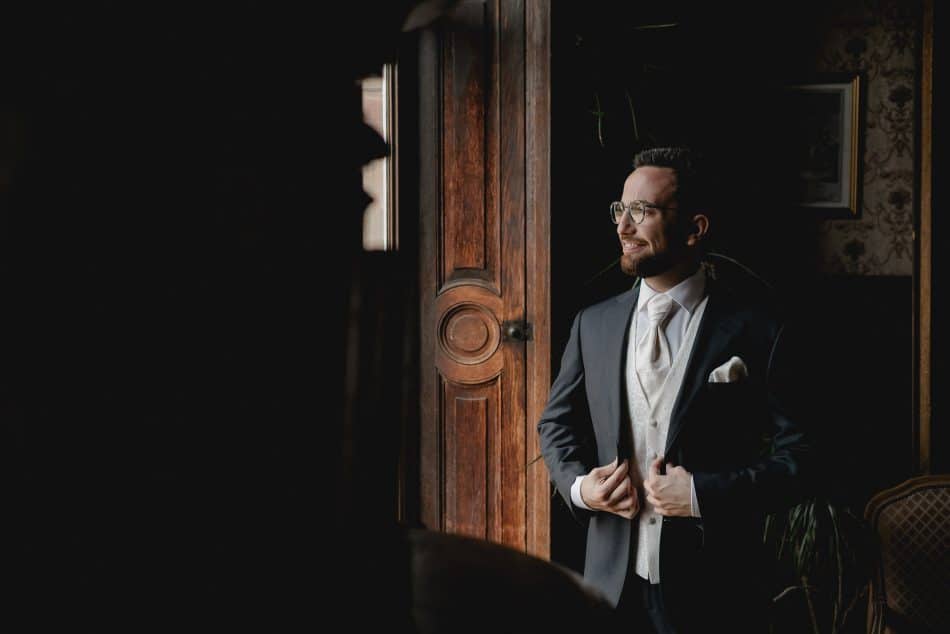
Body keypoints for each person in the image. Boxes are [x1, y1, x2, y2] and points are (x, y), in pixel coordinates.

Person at [537, 147, 810, 633]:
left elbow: (802, 458)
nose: (623, 227)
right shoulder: (592, 325)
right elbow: (555, 424)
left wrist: (702, 494)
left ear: (694, 228)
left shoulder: (759, 329)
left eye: (642, 210)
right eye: (620, 209)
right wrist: (581, 489)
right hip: (609, 584)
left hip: (715, 589)